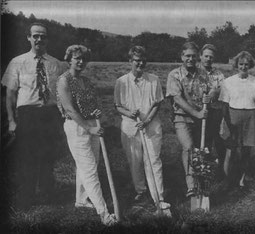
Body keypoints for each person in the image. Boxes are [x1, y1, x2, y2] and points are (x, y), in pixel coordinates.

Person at [2, 22, 65, 209]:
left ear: (48, 39)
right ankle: (26, 197)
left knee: (48, 156)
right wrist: (12, 120)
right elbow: (11, 94)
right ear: (28, 38)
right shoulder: (17, 62)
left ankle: (48, 194)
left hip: (50, 115)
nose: (39, 39)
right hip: (28, 114)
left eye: (43, 36)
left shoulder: (56, 64)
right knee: (27, 158)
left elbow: (61, 93)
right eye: (35, 35)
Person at [57, 45, 117, 226]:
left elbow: (95, 103)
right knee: (90, 169)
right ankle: (104, 214)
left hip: (92, 124)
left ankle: (81, 200)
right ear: (69, 59)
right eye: (77, 58)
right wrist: (88, 128)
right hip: (76, 127)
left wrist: (101, 119)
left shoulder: (87, 81)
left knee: (89, 165)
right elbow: (69, 109)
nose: (81, 62)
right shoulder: (63, 80)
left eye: (84, 59)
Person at [114, 46, 170, 210]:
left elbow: (157, 104)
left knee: (153, 160)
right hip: (130, 127)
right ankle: (140, 191)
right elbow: (118, 106)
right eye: (137, 60)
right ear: (130, 61)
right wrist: (130, 113)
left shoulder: (154, 80)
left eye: (143, 60)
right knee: (135, 161)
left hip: (151, 125)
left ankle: (158, 197)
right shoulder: (121, 82)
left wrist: (146, 121)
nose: (141, 63)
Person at [166, 41, 210, 197]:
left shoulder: (203, 74)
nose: (190, 59)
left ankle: (202, 183)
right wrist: (196, 113)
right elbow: (177, 99)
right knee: (189, 147)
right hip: (182, 118)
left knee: (200, 150)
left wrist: (208, 99)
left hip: (200, 120)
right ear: (182, 56)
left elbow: (208, 93)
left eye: (193, 56)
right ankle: (190, 184)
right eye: (187, 56)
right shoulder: (174, 75)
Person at [218, 51, 255, 189]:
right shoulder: (228, 82)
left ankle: (242, 178)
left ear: (250, 65)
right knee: (231, 149)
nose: (243, 67)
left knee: (246, 150)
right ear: (236, 65)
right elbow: (224, 104)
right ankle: (227, 178)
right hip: (233, 115)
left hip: (251, 115)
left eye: (246, 64)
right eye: (241, 64)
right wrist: (226, 122)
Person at [198, 44, 227, 179]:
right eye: (206, 56)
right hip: (198, 112)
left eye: (211, 57)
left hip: (215, 112)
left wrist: (215, 92)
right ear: (200, 56)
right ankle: (200, 169)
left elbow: (223, 90)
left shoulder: (218, 74)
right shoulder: (195, 72)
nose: (208, 59)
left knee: (217, 140)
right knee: (201, 142)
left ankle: (220, 168)